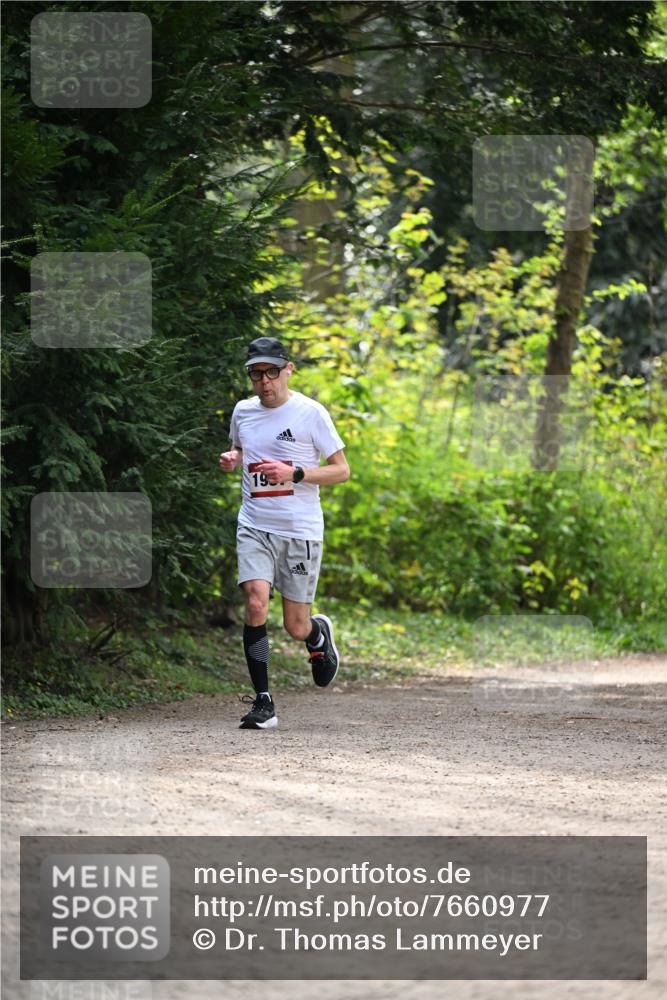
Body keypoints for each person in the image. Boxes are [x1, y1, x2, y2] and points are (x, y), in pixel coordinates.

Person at [219, 336, 350, 729]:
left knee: (295, 625)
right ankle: (264, 702)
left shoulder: (311, 413)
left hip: (299, 530)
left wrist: (295, 473)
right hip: (255, 524)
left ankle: (316, 635)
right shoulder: (243, 412)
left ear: (288, 369)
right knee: (256, 602)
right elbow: (241, 448)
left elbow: (342, 471)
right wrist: (233, 458)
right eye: (256, 374)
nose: (264, 382)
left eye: (271, 372)